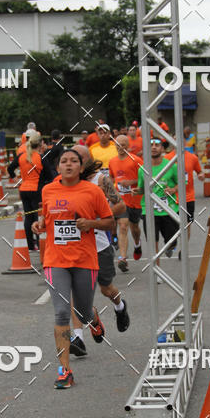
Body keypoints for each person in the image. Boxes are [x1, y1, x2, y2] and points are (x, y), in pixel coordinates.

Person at [32, 149, 114, 389]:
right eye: (64, 161)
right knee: (60, 314)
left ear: (80, 167)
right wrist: (39, 225)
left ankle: (93, 318)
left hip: (84, 260)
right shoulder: (48, 190)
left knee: (83, 312)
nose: (68, 165)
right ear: (58, 168)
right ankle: (64, 370)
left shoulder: (92, 191)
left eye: (73, 161)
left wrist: (90, 223)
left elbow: (109, 220)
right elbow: (45, 219)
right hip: (55, 260)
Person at [68, 145, 130, 357]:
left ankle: (120, 306)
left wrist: (95, 220)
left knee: (106, 289)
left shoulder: (101, 180)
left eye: (80, 160)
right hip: (76, 245)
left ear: (87, 161)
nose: (76, 164)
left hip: (100, 245)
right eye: (72, 160)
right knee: (76, 293)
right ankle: (78, 337)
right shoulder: (67, 183)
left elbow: (120, 206)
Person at [134, 138, 178, 270]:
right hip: (149, 210)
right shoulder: (143, 169)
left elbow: (181, 183)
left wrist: (173, 189)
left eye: (157, 145)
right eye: (151, 145)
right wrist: (136, 191)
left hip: (168, 209)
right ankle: (158, 272)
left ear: (162, 149)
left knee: (172, 240)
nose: (153, 147)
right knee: (153, 243)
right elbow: (142, 189)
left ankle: (171, 246)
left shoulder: (171, 166)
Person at [109, 135, 143, 270]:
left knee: (135, 228)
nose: (120, 147)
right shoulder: (112, 161)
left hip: (135, 200)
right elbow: (111, 177)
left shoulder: (136, 160)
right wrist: (111, 191)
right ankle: (123, 258)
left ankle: (137, 243)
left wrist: (132, 182)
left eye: (123, 144)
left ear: (128, 146)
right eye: (118, 144)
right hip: (121, 201)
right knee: (123, 226)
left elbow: (146, 177)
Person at [15, 131, 43, 251]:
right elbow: (47, 172)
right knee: (37, 217)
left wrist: (19, 178)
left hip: (24, 188)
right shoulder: (39, 156)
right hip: (35, 189)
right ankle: (40, 243)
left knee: (28, 217)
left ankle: (30, 246)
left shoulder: (21, 152)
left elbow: (11, 168)